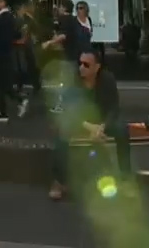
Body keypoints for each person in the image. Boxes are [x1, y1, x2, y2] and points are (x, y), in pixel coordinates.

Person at [48, 48, 130, 201]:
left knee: (122, 130)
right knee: (62, 133)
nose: (81, 68)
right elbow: (68, 110)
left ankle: (125, 178)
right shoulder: (73, 81)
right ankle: (59, 181)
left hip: (101, 123)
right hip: (80, 122)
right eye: (80, 63)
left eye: (86, 65)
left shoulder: (107, 80)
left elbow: (113, 108)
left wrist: (102, 127)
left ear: (97, 67)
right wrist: (89, 126)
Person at [0, 0, 27, 122]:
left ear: (3, 3)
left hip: (0, 55)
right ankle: (19, 100)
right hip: (5, 54)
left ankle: (2, 112)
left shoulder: (2, 18)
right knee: (4, 84)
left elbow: (1, 38)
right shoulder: (9, 17)